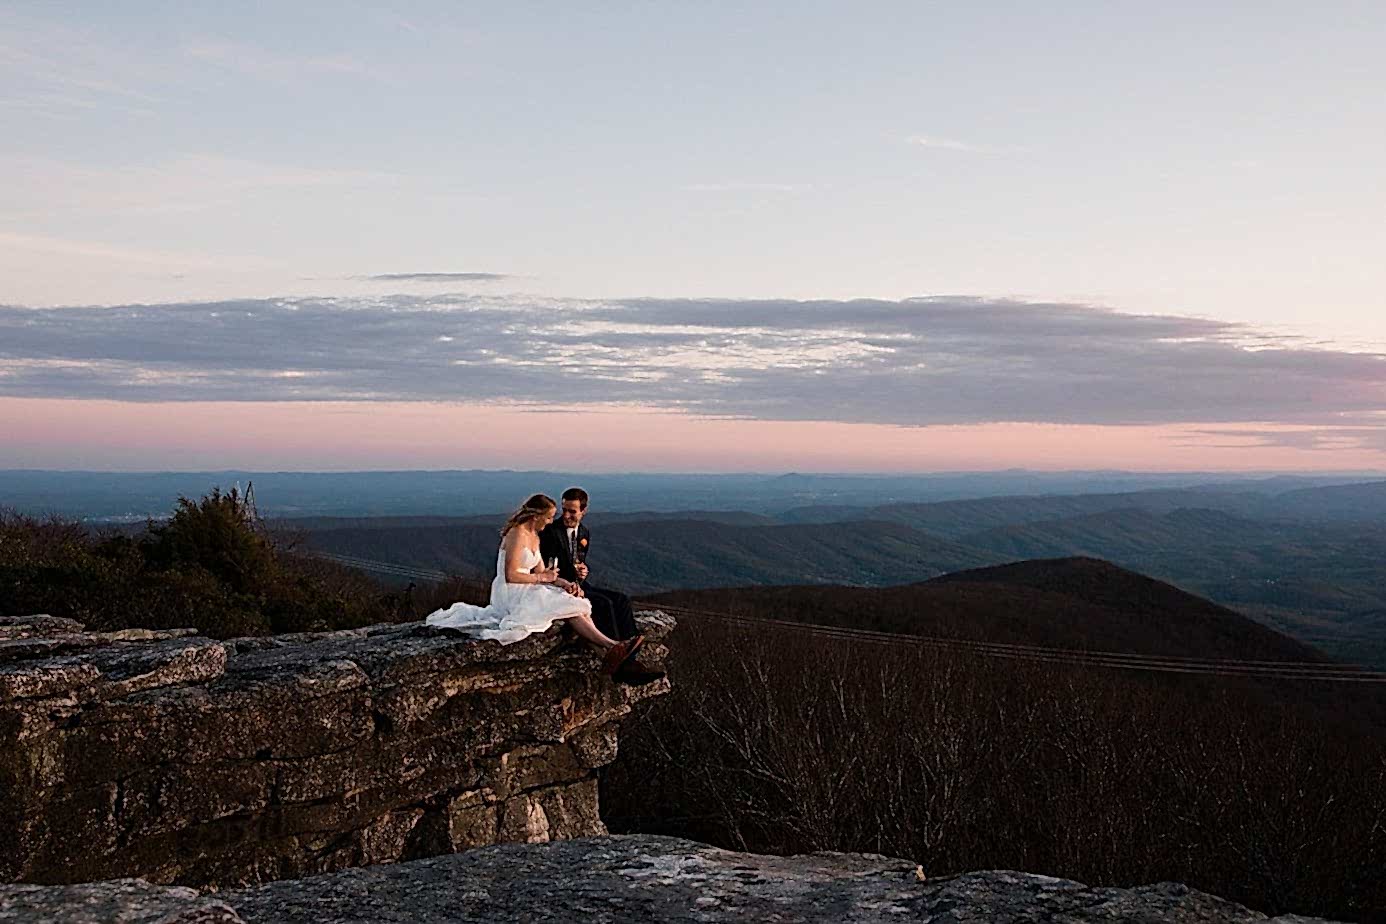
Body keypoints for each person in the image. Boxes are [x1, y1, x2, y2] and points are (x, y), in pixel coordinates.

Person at [427, 494, 644, 677]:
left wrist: (566, 583)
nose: (551, 522)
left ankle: (608, 654)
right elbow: (511, 575)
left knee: (572, 601)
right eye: (549, 517)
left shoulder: (534, 536)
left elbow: (542, 572)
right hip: (510, 592)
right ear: (536, 516)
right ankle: (612, 646)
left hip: (528, 586)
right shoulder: (516, 534)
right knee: (565, 607)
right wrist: (544, 580)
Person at [540, 487, 663, 684]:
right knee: (603, 604)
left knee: (621, 600)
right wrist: (568, 581)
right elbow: (547, 568)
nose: (567, 515)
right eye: (565, 510)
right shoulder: (550, 532)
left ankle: (629, 659)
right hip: (559, 586)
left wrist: (582, 571)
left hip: (580, 583)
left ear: (584, 511)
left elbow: (577, 561)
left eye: (572, 511)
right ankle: (622, 665)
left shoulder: (584, 532)